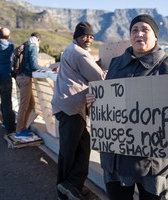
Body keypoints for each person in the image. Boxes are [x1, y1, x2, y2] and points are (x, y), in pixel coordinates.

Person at [86, 14, 168, 200]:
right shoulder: (116, 64)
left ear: (155, 36)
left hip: (153, 163)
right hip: (116, 158)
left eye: (145, 29)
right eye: (134, 30)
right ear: (130, 36)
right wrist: (94, 101)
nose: (139, 33)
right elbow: (109, 105)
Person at [51, 22, 106, 200]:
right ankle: (65, 189)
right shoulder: (80, 53)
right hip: (71, 108)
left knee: (81, 148)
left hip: (66, 106)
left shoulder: (71, 49)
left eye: (91, 36)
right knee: (70, 151)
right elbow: (98, 77)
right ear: (77, 36)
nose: (89, 39)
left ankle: (73, 185)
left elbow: (84, 69)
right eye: (85, 36)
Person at [14, 32, 52, 139]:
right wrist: (50, 70)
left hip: (19, 77)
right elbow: (34, 66)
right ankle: (19, 131)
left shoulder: (25, 45)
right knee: (24, 106)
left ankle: (23, 128)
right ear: (38, 40)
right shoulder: (33, 46)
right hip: (25, 78)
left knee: (31, 104)